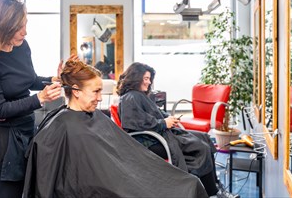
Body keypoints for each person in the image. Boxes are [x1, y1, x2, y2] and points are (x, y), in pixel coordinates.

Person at [23, 59, 208, 198]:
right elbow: (50, 182)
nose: (100, 98)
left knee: (189, 184)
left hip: (122, 176)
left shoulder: (93, 117)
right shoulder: (60, 127)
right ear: (76, 91)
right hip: (106, 186)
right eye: (95, 92)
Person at [0, 0, 63, 198]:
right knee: (9, 194)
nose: (25, 32)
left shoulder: (22, 46)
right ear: (1, 26)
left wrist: (53, 79)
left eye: (25, 24)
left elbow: (29, 80)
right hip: (3, 139)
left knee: (29, 189)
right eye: (18, 27)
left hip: (26, 128)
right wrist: (39, 99)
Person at [117, 62, 239, 198]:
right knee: (201, 147)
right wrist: (163, 123)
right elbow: (135, 123)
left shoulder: (140, 95)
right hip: (149, 141)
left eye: (149, 78)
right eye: (146, 78)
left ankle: (215, 184)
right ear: (136, 78)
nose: (149, 82)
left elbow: (155, 114)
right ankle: (213, 193)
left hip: (159, 134)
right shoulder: (130, 98)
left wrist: (169, 118)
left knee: (204, 137)